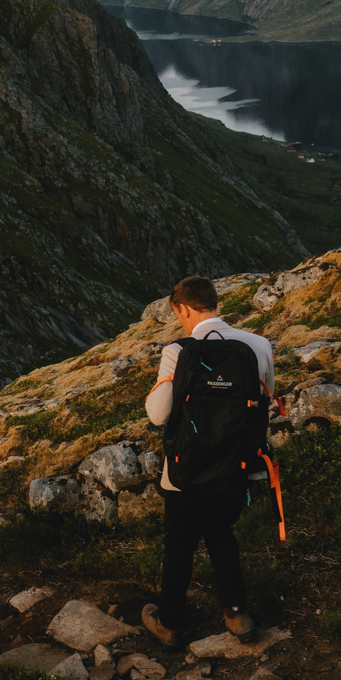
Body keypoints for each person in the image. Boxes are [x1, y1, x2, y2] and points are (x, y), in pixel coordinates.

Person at [140, 275, 273, 647]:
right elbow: (264, 400)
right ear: (216, 304)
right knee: (220, 533)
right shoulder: (258, 345)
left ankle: (169, 622)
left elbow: (158, 413)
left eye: (177, 314)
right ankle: (237, 615)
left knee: (179, 545)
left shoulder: (179, 350)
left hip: (185, 472)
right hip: (235, 466)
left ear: (182, 308)